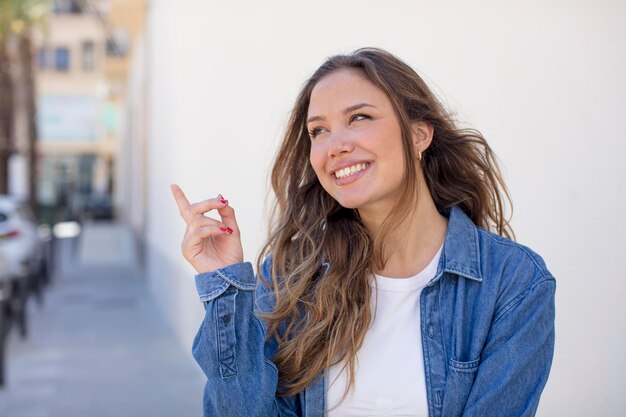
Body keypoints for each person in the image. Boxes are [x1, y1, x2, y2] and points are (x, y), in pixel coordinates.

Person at [171, 47, 556, 417]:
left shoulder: (513, 283)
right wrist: (223, 286)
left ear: (419, 135)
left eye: (359, 118)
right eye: (318, 130)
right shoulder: (289, 276)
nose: (334, 146)